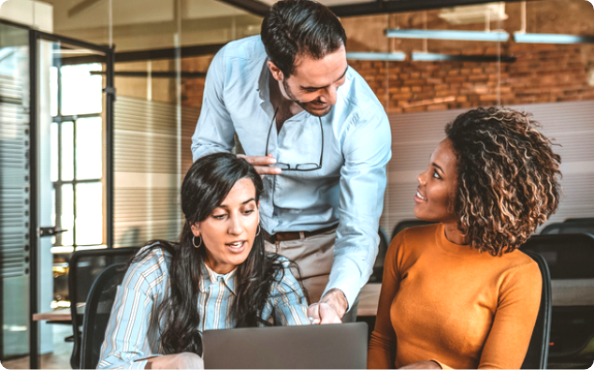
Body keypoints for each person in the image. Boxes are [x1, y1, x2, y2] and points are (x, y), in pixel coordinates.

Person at [191, 0, 391, 324]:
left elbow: (360, 232)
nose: (332, 97)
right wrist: (229, 171)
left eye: (339, 79)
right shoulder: (230, 67)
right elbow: (208, 145)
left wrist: (336, 300)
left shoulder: (364, 118)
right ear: (276, 70)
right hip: (245, 246)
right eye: (314, 88)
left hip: (323, 253)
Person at [368, 107, 562, 370]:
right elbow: (382, 341)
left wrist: (437, 369)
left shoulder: (519, 274)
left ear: (474, 195)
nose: (421, 178)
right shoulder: (405, 244)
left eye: (436, 174)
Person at [97, 153, 326, 370]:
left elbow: (305, 357)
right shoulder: (154, 269)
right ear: (195, 224)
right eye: (220, 215)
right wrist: (172, 364)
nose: (237, 229)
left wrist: (315, 330)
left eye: (247, 211)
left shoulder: (276, 276)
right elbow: (111, 366)